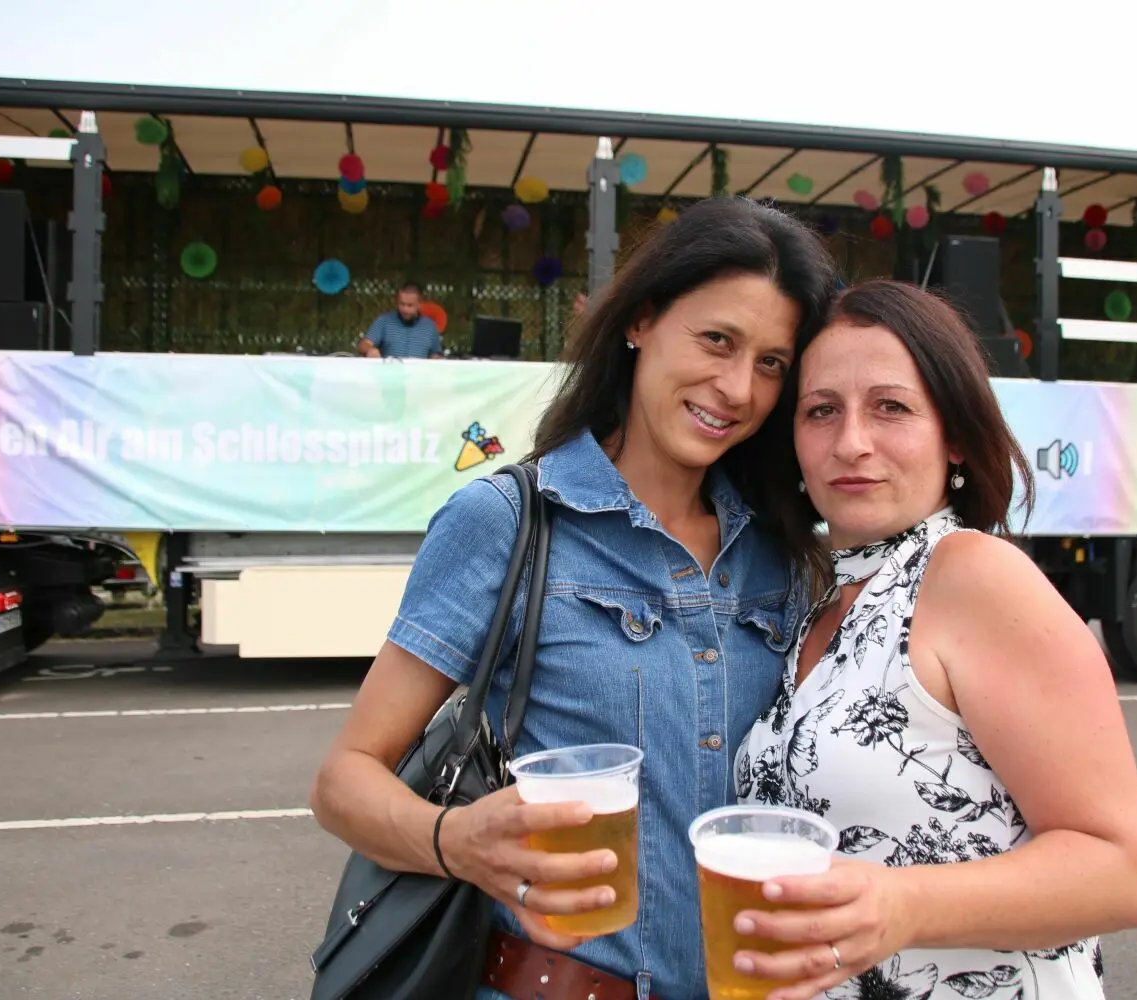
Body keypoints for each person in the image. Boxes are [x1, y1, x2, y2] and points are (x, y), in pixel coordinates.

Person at [311, 196, 840, 1000]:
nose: (737, 387)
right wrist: (458, 840)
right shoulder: (510, 521)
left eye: (771, 363)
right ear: (640, 322)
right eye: (717, 340)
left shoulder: (785, 552)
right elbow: (345, 779)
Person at [730, 281, 1137, 1000]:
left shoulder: (971, 576)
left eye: (891, 407)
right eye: (821, 411)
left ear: (953, 433)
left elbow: (1124, 873)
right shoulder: (824, 599)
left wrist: (902, 904)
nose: (852, 442)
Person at [357, 281, 443, 358]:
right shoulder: (384, 321)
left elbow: (435, 355)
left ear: (420, 304)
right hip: (388, 374)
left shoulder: (430, 327)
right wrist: (370, 350)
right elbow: (364, 344)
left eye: (410, 305)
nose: (405, 309)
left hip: (418, 375)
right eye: (402, 304)